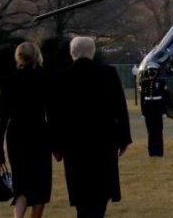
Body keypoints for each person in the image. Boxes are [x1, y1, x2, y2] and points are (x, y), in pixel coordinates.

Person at [51, 36, 132, 218]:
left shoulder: (61, 77)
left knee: (80, 191)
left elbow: (55, 114)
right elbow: (120, 108)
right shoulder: (108, 73)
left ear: (72, 53)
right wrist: (124, 138)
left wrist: (55, 146)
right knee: (101, 190)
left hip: (74, 144)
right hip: (103, 142)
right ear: (93, 52)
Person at [0, 42, 52, 218]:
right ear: (37, 56)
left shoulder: (10, 79)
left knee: (21, 186)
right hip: (39, 134)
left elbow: (1, 117)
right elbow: (51, 113)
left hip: (16, 136)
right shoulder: (44, 77)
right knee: (41, 187)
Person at [139, 64, 167, 157]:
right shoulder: (144, 83)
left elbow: (165, 97)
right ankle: (152, 152)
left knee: (158, 130)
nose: (151, 73)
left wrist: (164, 111)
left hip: (158, 106)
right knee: (150, 131)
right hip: (148, 107)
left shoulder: (161, 82)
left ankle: (159, 152)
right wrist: (143, 112)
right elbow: (142, 98)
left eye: (153, 71)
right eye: (150, 71)